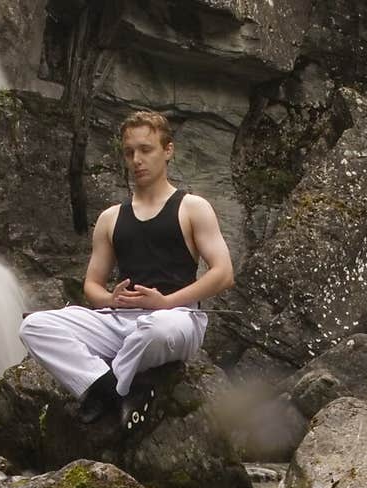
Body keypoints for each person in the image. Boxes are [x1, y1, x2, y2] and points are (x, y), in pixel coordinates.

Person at [19, 109, 234, 432]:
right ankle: (117, 390)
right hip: (120, 321)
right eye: (129, 152)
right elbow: (92, 285)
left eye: (146, 150)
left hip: (176, 320)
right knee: (35, 326)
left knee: (153, 329)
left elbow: (223, 273)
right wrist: (110, 299)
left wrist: (166, 302)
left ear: (168, 150)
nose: (137, 160)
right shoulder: (110, 218)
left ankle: (107, 389)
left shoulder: (192, 207)